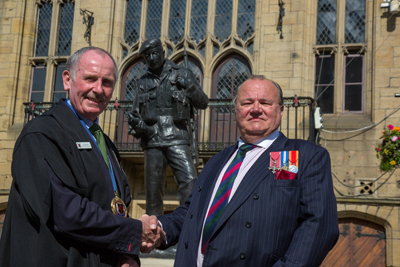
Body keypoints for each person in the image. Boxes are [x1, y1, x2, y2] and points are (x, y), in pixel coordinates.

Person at [0, 47, 163, 267]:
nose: (98, 89)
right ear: (67, 80)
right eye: (90, 79)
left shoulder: (105, 144)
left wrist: (126, 255)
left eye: (107, 82)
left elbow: (115, 209)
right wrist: (135, 233)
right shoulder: (41, 135)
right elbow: (65, 212)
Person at [153, 75, 339, 266]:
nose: (256, 109)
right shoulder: (217, 161)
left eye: (265, 102)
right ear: (236, 110)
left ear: (281, 110)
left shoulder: (298, 155)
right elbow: (192, 212)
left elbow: (320, 225)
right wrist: (160, 227)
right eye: (247, 102)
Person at [129, 38, 208, 216]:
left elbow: (203, 102)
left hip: (177, 136)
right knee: (153, 190)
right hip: (152, 139)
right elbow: (135, 113)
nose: (152, 57)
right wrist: (137, 124)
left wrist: (188, 86)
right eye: (147, 55)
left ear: (163, 52)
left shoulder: (182, 73)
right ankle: (153, 233)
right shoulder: (142, 83)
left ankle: (188, 222)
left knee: (190, 181)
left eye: (155, 52)